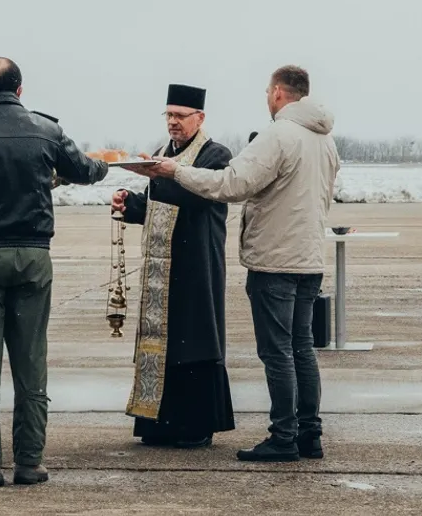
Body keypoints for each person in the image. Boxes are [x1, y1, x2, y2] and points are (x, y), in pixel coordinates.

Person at [138, 66, 340, 462]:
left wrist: (174, 170)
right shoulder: (325, 140)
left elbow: (231, 185)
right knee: (302, 348)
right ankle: (309, 434)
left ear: (279, 93)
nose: (267, 98)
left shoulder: (278, 135)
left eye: (268, 91)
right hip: (310, 257)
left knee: (278, 352)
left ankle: (283, 436)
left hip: (275, 259)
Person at [0, 57, 108, 487]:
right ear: (21, 90)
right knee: (31, 361)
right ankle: (30, 461)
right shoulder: (46, 129)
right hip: (32, 255)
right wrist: (101, 163)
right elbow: (83, 171)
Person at [112, 84, 235, 449]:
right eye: (168, 115)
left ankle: (197, 425)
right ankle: (159, 424)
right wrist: (131, 205)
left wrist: (158, 176)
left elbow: (193, 197)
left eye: (180, 116)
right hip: (162, 266)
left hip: (198, 263)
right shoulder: (165, 154)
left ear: (200, 118)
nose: (173, 123)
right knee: (163, 343)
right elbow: (158, 206)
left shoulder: (216, 155)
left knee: (195, 341)